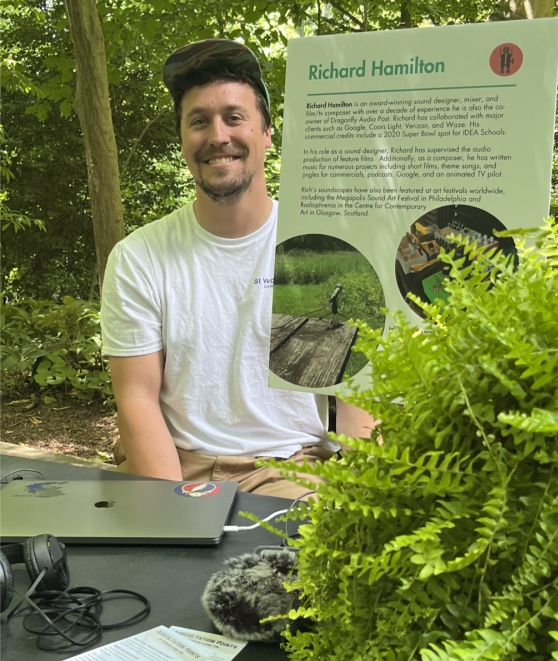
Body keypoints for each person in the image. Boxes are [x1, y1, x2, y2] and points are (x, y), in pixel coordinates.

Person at [100, 39, 377, 499]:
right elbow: (137, 399)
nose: (217, 135)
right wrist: (172, 518)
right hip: (173, 461)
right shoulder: (139, 257)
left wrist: (368, 497)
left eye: (234, 116)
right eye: (198, 121)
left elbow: (355, 400)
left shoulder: (318, 251)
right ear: (183, 141)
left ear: (267, 133)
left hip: (288, 468)